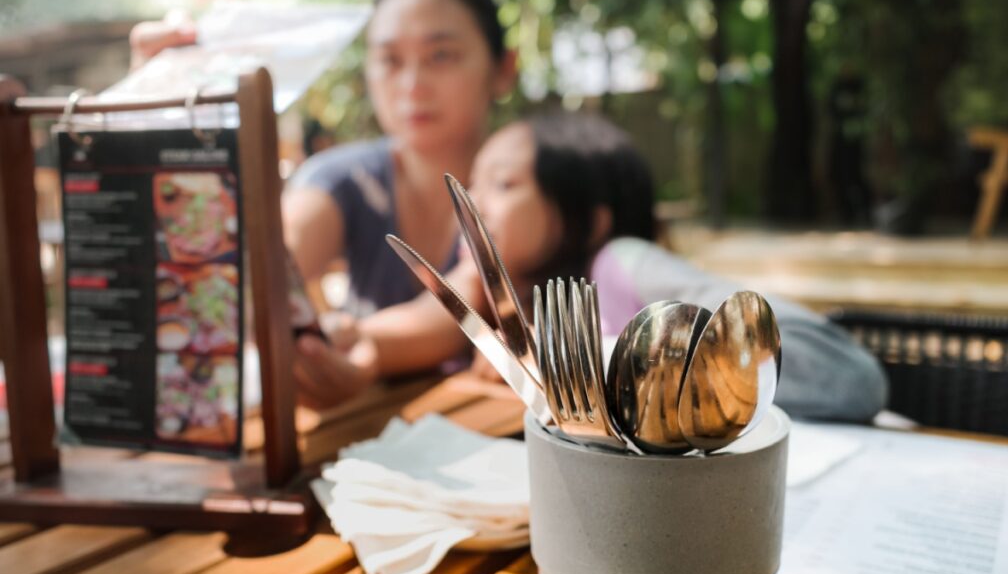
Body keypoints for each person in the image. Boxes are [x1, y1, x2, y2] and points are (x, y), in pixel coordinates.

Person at [328, 112, 888, 422]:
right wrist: (344, 336)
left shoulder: (620, 265)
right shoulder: (502, 305)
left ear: (589, 220)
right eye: (470, 184)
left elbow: (850, 378)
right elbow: (404, 332)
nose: (471, 204)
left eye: (502, 184)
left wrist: (591, 359)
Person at [130, 0, 517, 409]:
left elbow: (470, 299)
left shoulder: (530, 178)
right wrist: (158, 130)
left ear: (503, 68)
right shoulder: (342, 179)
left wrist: (360, 344)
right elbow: (261, 274)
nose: (412, 84)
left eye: (441, 55)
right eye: (390, 59)